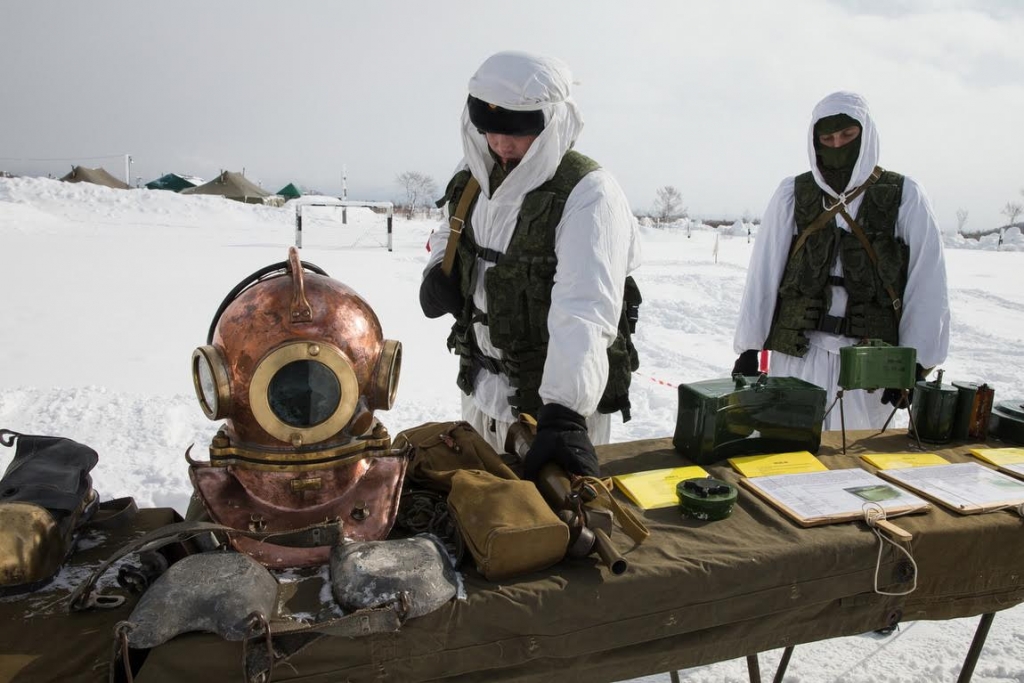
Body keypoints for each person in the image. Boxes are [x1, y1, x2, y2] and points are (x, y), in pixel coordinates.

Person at [419, 50, 641, 480]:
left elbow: (585, 307)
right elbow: (450, 226)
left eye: (517, 133)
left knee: (558, 534)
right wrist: (435, 269)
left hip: (550, 418)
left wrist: (565, 413)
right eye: (490, 131)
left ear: (551, 121)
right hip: (481, 393)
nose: (501, 145)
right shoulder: (475, 174)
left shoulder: (589, 194)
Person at [732, 91, 950, 430]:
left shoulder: (905, 196)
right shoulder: (793, 195)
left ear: (866, 135)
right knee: (787, 456)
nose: (837, 145)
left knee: (857, 467)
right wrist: (750, 346)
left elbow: (927, 284)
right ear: (815, 142)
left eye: (847, 136)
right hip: (797, 359)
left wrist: (915, 364)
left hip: (871, 368)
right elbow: (764, 274)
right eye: (828, 138)